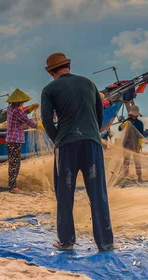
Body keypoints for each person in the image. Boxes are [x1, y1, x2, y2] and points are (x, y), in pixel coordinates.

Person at [41, 52, 113, 252]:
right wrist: (91, 133)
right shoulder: (89, 84)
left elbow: (47, 121)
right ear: (68, 66)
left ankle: (67, 241)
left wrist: (59, 139)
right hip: (92, 144)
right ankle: (105, 242)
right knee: (98, 194)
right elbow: (99, 117)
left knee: (65, 194)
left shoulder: (49, 89)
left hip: (67, 145)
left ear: (51, 72)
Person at [5, 88, 41, 193]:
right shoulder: (16, 111)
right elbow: (26, 120)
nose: (23, 103)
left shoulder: (11, 109)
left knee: (12, 163)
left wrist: (30, 109)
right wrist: (37, 126)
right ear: (19, 101)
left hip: (9, 140)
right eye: (22, 102)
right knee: (15, 164)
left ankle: (12, 185)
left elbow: (22, 113)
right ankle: (13, 187)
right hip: (15, 141)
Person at [119, 105, 144, 182]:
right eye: (133, 115)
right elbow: (119, 129)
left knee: (137, 160)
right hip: (127, 143)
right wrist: (124, 124)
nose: (135, 116)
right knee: (126, 160)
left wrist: (140, 144)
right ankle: (125, 175)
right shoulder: (127, 121)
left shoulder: (140, 123)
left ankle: (139, 176)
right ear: (130, 114)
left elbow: (141, 135)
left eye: (136, 115)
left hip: (135, 144)